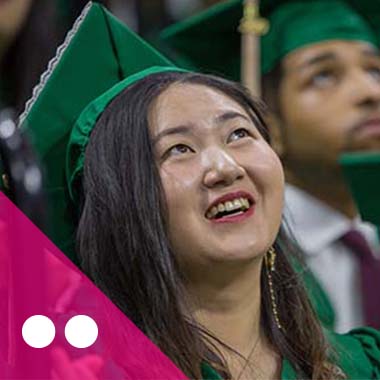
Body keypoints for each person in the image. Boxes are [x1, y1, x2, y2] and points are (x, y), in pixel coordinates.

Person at [20, 3, 380, 379]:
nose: (225, 167)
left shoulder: (360, 365)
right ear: (121, 207)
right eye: (179, 149)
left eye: (239, 134)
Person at [160, 0, 380, 333]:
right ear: (263, 119)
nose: (370, 92)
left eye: (375, 70)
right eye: (323, 76)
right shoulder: (228, 262)